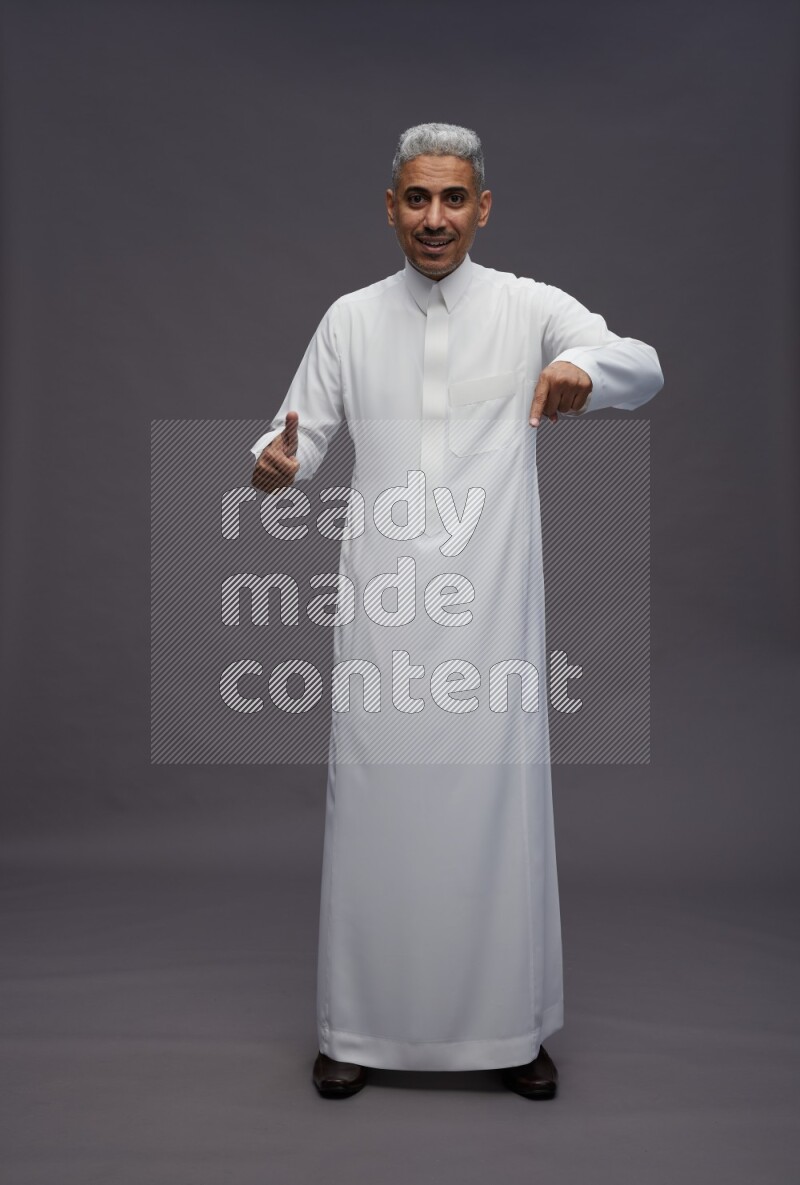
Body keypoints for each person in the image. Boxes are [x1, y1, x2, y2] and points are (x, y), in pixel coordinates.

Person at [249, 123, 663, 1100]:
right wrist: (270, 464)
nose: (432, 218)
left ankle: (509, 1035)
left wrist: (581, 374)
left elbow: (638, 361)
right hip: (383, 614)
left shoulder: (525, 308)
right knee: (375, 818)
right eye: (414, 199)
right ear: (390, 207)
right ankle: (354, 1030)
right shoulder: (350, 318)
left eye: (451, 199)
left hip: (491, 614)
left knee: (496, 815)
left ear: (480, 207)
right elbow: (292, 438)